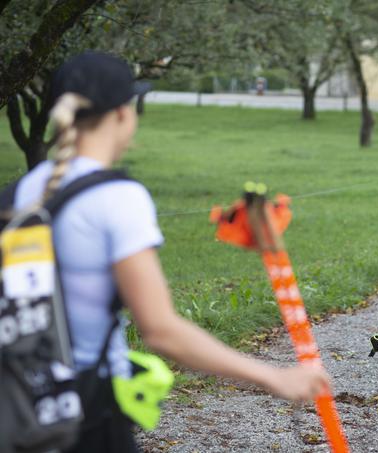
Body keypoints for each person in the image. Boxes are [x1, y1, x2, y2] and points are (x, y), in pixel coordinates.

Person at [12, 51, 330, 452]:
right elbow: (161, 331)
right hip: (85, 414)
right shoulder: (117, 197)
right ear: (123, 114)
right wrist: (273, 376)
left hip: (23, 402)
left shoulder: (24, 189)